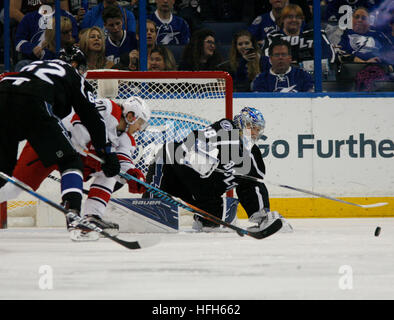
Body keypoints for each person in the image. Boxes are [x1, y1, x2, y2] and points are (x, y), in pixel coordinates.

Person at [0, 46, 120, 235]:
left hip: (3, 90)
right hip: (33, 99)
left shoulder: (34, 65)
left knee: (3, 173)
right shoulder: (72, 74)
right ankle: (73, 214)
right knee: (70, 161)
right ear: (75, 65)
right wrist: (106, 151)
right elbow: (92, 117)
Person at [0, 96, 150, 238]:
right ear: (131, 115)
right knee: (14, 188)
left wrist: (133, 176)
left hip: (74, 158)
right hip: (48, 142)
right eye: (141, 122)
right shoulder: (110, 108)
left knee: (110, 172)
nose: (140, 128)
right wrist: (100, 151)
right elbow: (78, 123)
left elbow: (123, 163)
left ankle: (92, 216)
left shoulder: (126, 138)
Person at [144, 106, 292, 233]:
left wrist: (261, 212)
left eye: (258, 130)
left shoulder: (253, 154)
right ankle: (150, 204)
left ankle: (263, 218)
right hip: (181, 175)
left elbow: (253, 182)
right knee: (167, 152)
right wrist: (197, 154)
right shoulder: (227, 128)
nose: (255, 133)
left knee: (214, 221)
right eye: (253, 127)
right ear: (242, 123)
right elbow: (199, 136)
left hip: (204, 194)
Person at [262, 4, 336, 75]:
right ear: (282, 19)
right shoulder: (273, 38)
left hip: (317, 80)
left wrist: (297, 66)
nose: (294, 20)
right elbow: (266, 63)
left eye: (298, 17)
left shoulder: (316, 35)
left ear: (302, 19)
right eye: (290, 17)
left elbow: (330, 59)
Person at [14, 0, 79, 71]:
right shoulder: (29, 17)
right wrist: (32, 48)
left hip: (61, 60)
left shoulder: (67, 16)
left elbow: (74, 40)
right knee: (22, 65)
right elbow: (18, 41)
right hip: (35, 61)